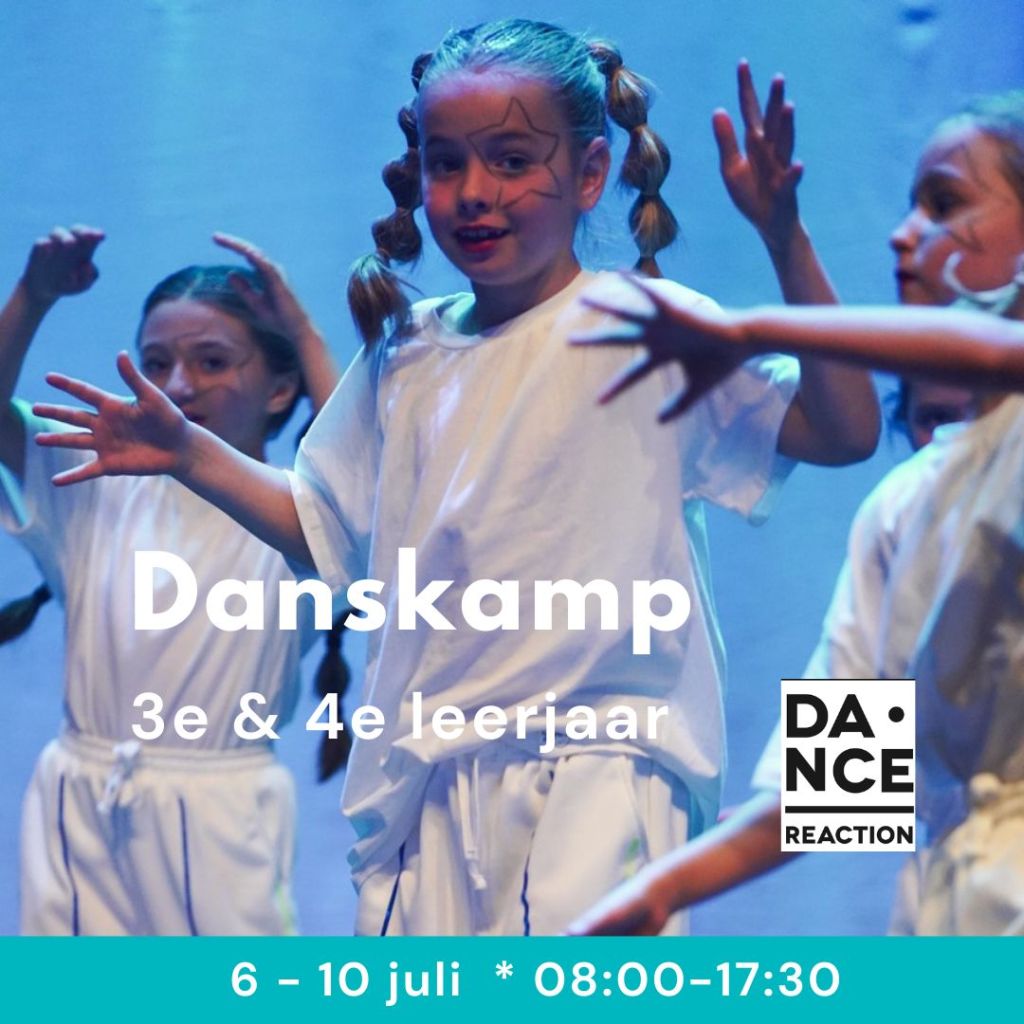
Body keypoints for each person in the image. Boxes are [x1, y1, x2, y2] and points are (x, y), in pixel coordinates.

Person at [30, 21, 878, 936]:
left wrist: (786, 239)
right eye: (447, 164)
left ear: (591, 173)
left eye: (512, 161)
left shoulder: (649, 326)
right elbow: (325, 528)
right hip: (427, 779)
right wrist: (191, 453)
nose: (475, 192)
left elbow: (844, 432)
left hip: (595, 764)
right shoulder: (408, 352)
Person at [569, 88, 1024, 936]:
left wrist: (753, 327)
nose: (904, 233)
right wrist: (662, 889)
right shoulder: (905, 505)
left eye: (946, 203)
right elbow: (838, 787)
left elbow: (1004, 355)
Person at [0, 226, 340, 935]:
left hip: (222, 816)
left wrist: (304, 333)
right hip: (78, 806)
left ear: (281, 388)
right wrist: (33, 296)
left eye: (211, 361)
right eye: (157, 363)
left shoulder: (296, 510)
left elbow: (363, 482)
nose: (179, 385)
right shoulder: (92, 487)